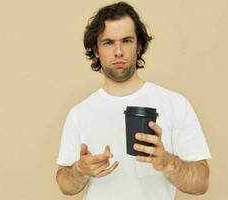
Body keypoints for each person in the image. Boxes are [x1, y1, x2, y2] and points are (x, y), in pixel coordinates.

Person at [56, 2, 212, 200]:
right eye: (108, 42)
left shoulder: (175, 104)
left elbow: (201, 183)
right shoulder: (79, 114)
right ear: (96, 50)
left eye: (127, 40)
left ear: (139, 45)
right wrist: (80, 170)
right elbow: (65, 184)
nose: (118, 51)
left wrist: (167, 162)